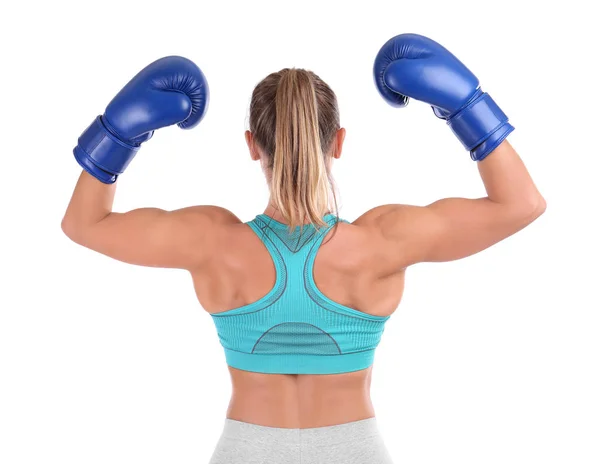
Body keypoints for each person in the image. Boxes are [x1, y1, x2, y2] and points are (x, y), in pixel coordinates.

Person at [62, 33, 545, 464]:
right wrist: (465, 107)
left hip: (245, 450)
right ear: (338, 142)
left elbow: (83, 223)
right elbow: (520, 204)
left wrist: (119, 133)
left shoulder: (212, 242)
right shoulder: (382, 242)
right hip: (354, 450)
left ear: (253, 145)